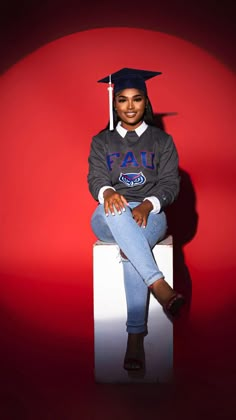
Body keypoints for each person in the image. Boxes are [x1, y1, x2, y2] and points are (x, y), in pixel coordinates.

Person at [87, 68, 185, 372]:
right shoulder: (102, 142)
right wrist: (107, 193)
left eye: (137, 99)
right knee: (114, 210)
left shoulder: (162, 141)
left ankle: (134, 338)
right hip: (108, 214)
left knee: (131, 248)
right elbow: (95, 179)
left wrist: (146, 204)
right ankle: (158, 285)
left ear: (146, 102)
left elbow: (170, 184)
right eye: (123, 100)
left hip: (151, 214)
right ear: (114, 104)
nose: (130, 106)